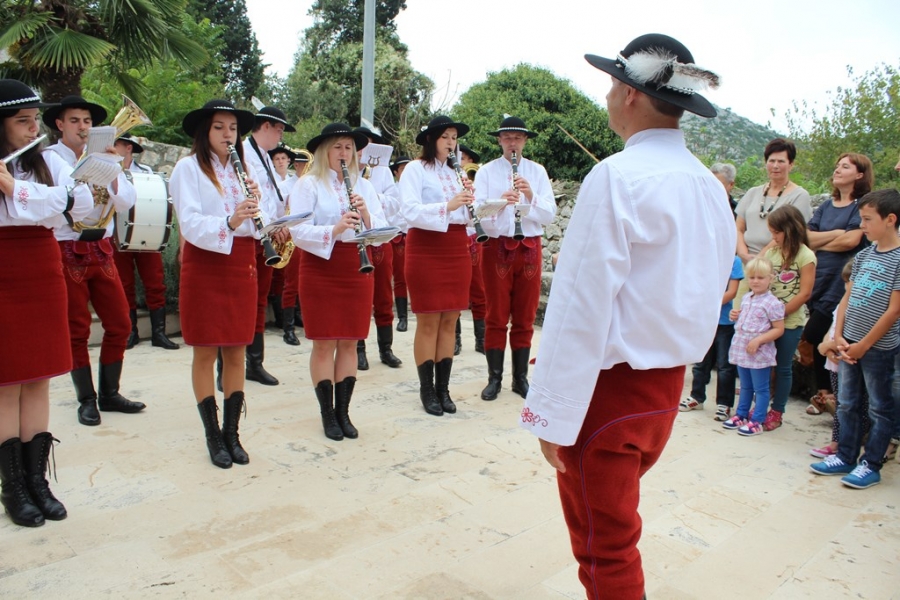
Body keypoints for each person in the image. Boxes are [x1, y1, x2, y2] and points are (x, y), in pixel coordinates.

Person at [521, 35, 734, 599]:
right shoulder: (710, 187)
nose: (608, 96)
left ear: (632, 94)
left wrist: (551, 414)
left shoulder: (618, 176)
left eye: (612, 85)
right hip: (663, 389)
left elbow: (579, 305)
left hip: (609, 393)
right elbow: (711, 287)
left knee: (606, 550)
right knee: (612, 534)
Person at [0, 79, 92, 527]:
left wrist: (15, 190)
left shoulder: (48, 160)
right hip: (3, 269)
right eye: (23, 121)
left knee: (39, 378)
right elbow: (56, 205)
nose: (33, 128)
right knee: (6, 382)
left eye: (35, 119)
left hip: (42, 266)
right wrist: (45, 202)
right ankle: (13, 486)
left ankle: (38, 480)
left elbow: (79, 202)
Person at [169, 99, 262, 469]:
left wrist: (257, 205)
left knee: (237, 350)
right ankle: (212, 434)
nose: (228, 135)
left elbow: (259, 224)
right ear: (204, 131)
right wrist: (231, 220)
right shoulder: (188, 168)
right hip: (205, 263)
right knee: (205, 351)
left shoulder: (244, 171)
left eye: (233, 129)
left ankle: (232, 433)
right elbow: (189, 223)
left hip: (241, 263)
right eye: (219, 127)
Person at [44, 95, 145, 426]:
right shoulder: (48, 159)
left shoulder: (103, 157)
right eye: (75, 121)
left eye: (87, 121)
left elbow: (126, 201)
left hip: (101, 247)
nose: (82, 127)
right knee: (77, 330)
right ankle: (86, 400)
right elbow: (62, 202)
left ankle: (109, 393)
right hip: (67, 247)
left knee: (121, 324)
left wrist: (113, 169)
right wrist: (87, 173)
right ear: (60, 124)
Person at [287, 123, 387, 441]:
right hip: (321, 267)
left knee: (349, 341)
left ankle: (343, 412)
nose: (344, 153)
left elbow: (383, 231)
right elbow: (297, 231)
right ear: (324, 150)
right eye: (337, 147)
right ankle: (327, 414)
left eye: (348, 147)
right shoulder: (308, 184)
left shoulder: (364, 186)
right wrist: (335, 228)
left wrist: (366, 215)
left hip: (356, 267)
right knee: (324, 342)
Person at [810, 188, 900, 489]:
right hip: (848, 343)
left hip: (877, 349)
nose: (862, 225)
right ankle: (845, 455)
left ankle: (871, 463)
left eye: (867, 219)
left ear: (890, 219)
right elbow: (846, 299)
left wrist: (864, 345)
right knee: (847, 402)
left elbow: (894, 310)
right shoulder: (863, 256)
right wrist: (838, 336)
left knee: (879, 407)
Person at [473, 116, 556, 401]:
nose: (512, 143)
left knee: (525, 316)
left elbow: (549, 215)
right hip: (496, 246)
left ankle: (520, 379)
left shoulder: (537, 171)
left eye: (517, 138)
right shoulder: (486, 172)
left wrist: (529, 194)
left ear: (525, 141)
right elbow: (477, 214)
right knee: (495, 315)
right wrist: (500, 202)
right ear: (499, 140)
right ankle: (494, 379)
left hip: (529, 246)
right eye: (507, 138)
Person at [399, 116, 474, 417]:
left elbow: (465, 215)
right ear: (431, 139)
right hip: (426, 247)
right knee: (429, 320)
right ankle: (427, 389)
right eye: (445, 137)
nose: (451, 143)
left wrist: (478, 204)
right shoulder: (415, 169)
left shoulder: (458, 172)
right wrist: (449, 205)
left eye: (454, 137)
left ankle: (443, 388)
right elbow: (409, 211)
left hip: (456, 247)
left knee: (450, 320)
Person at [223, 105, 295, 389]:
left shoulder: (264, 156)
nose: (281, 135)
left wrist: (281, 223)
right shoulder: (243, 153)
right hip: (245, 237)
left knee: (259, 301)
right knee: (235, 304)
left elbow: (270, 198)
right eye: (279, 129)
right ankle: (225, 367)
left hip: (264, 237)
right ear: (265, 126)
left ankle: (255, 363)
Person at [803, 153, 871, 415]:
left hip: (840, 282)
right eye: (837, 166)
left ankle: (834, 395)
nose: (838, 170)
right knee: (821, 336)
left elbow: (851, 241)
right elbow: (806, 238)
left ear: (860, 174)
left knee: (816, 332)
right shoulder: (826, 206)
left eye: (845, 166)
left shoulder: (861, 205)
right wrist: (836, 235)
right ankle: (825, 394)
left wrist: (821, 242)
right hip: (819, 277)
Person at [112, 133, 179, 351]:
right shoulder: (108, 173)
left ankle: (159, 334)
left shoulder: (147, 173)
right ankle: (130, 333)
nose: (112, 147)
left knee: (155, 283)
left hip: (147, 232)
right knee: (124, 284)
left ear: (128, 148)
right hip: (117, 234)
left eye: (117, 144)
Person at [734, 138, 812, 309]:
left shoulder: (799, 196)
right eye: (772, 161)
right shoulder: (753, 192)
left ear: (791, 164)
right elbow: (739, 227)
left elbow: (790, 231)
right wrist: (743, 254)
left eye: (781, 161)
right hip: (745, 263)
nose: (776, 166)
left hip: (775, 265)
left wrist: (760, 258)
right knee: (739, 311)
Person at [761, 205, 816, 430]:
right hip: (766, 320)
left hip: (790, 322)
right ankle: (760, 406)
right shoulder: (772, 253)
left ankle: (777, 411)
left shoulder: (805, 256)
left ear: (790, 229)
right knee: (762, 365)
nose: (773, 237)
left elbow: (805, 293)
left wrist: (779, 314)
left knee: (783, 367)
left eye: (777, 232)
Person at [353, 126, 403, 370]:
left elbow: (395, 204)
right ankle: (358, 348)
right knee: (359, 297)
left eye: (368, 146)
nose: (363, 152)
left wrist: (372, 197)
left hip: (380, 239)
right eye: (360, 147)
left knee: (383, 295)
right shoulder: (344, 171)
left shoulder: (382, 172)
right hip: (356, 241)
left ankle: (386, 348)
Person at [723, 257, 785, 435]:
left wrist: (759, 340)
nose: (755, 281)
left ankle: (757, 420)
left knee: (761, 389)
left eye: (760, 277)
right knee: (745, 385)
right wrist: (736, 315)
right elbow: (745, 318)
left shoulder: (773, 303)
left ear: (770, 278)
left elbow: (778, 329)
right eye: (752, 277)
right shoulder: (746, 298)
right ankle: (741, 414)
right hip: (742, 349)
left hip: (759, 352)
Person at [680, 254, 743, 420]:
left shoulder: (734, 261)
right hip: (704, 321)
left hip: (724, 323)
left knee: (725, 366)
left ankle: (724, 404)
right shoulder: (704, 256)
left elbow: (732, 292)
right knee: (700, 362)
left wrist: (709, 306)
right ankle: (696, 397)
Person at [280, 150, 311, 346]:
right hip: (290, 236)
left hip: (307, 236)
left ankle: (303, 318)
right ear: (296, 165)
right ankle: (288, 329)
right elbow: (278, 210)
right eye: (302, 164)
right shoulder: (285, 186)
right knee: (291, 284)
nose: (305, 168)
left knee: (306, 282)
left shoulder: (311, 184)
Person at [389, 155, 411, 332]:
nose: (406, 172)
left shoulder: (417, 188)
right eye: (402, 169)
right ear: (396, 172)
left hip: (414, 235)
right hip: (397, 236)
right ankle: (402, 317)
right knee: (400, 277)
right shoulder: (392, 191)